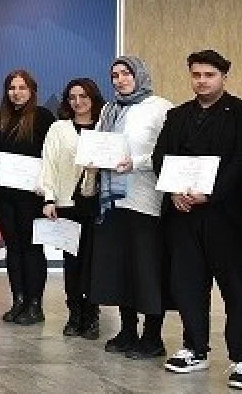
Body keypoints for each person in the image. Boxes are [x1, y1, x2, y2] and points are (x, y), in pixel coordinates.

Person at [152, 49, 242, 388]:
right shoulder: (177, 115)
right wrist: (173, 191)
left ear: (224, 76)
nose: (202, 81)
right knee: (188, 285)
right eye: (196, 75)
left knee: (237, 290)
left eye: (209, 75)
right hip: (183, 215)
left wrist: (209, 195)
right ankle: (194, 348)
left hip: (226, 216)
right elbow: (160, 156)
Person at [90, 56, 171, 360]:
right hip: (113, 202)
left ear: (140, 76)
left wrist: (135, 163)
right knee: (121, 269)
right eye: (115, 75)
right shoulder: (109, 109)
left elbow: (166, 152)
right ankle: (127, 330)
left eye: (126, 73)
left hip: (145, 200)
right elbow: (99, 144)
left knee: (147, 270)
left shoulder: (159, 108)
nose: (120, 80)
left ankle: (152, 336)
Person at [40, 78, 105, 339]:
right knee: (73, 263)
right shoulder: (59, 128)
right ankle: (74, 313)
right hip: (68, 203)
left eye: (83, 96)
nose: (78, 102)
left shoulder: (104, 127)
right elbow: (49, 163)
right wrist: (49, 198)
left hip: (98, 205)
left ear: (93, 98)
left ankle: (92, 315)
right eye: (73, 97)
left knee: (95, 262)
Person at [0, 69, 56, 326]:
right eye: (12, 88)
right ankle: (18, 300)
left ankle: (35, 305)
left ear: (32, 91)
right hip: (5, 195)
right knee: (13, 248)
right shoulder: (0, 118)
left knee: (32, 249)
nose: (16, 93)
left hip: (32, 197)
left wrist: (48, 193)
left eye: (22, 88)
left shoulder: (43, 118)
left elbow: (51, 157)